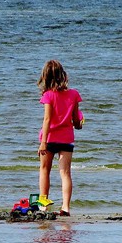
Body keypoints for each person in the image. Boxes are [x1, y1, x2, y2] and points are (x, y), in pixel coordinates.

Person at [36, 60, 84, 217]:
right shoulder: (73, 94)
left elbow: (47, 119)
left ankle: (44, 205)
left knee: (45, 170)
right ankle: (66, 207)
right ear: (63, 75)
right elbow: (76, 119)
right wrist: (78, 124)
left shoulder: (48, 95)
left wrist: (43, 142)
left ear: (46, 77)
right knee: (65, 173)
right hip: (66, 138)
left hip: (49, 138)